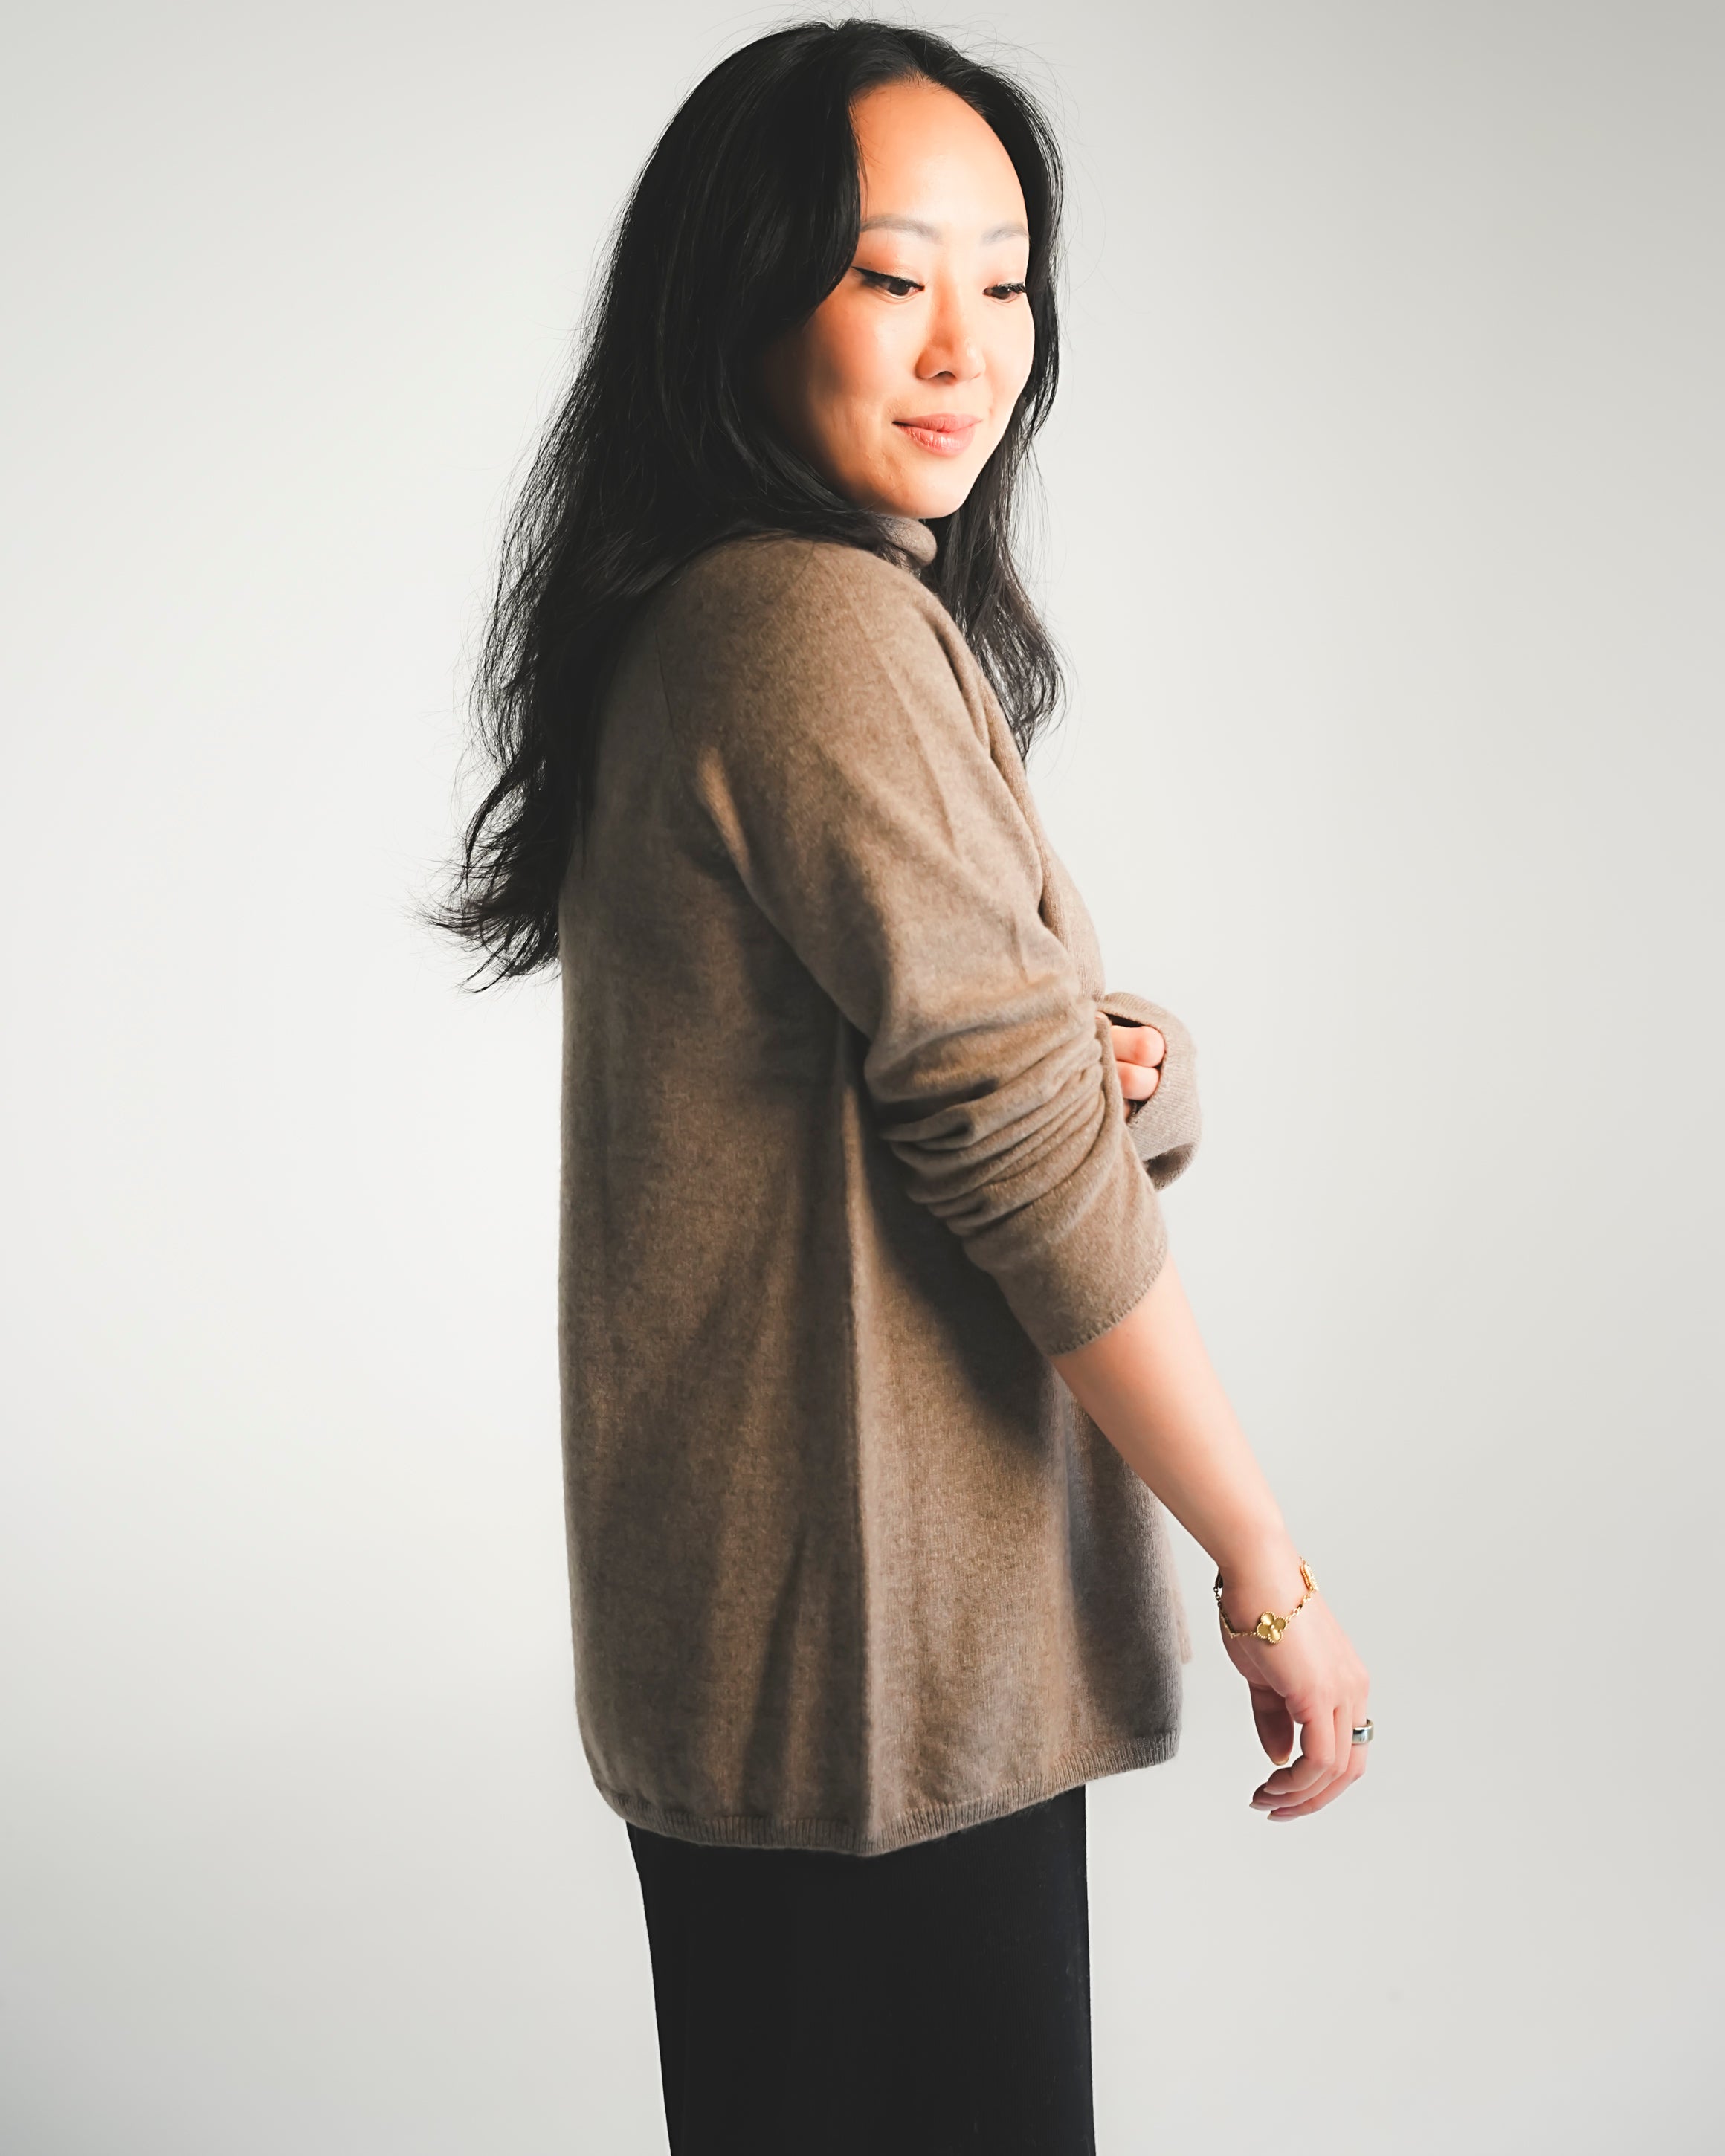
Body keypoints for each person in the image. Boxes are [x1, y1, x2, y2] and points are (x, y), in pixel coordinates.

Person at [441, 19, 1370, 2153]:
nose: (970, 349)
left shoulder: (729, 616)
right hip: (874, 1674)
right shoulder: (815, 631)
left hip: (790, 1655)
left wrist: (1111, 1053)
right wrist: (1267, 1569)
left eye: (1008, 281)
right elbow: (1017, 1149)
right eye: (889, 277)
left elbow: (931, 1065)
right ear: (743, 299)